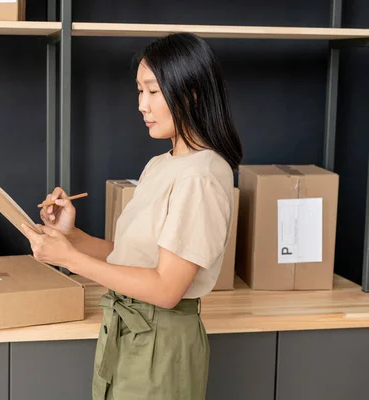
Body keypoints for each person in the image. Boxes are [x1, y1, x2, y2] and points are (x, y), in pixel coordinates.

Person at [21, 32, 243, 400]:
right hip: (129, 332)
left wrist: (70, 259)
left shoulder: (201, 177)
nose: (142, 105)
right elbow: (132, 257)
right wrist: (71, 237)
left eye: (153, 91)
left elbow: (166, 289)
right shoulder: (161, 164)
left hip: (162, 345)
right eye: (139, 91)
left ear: (190, 93)